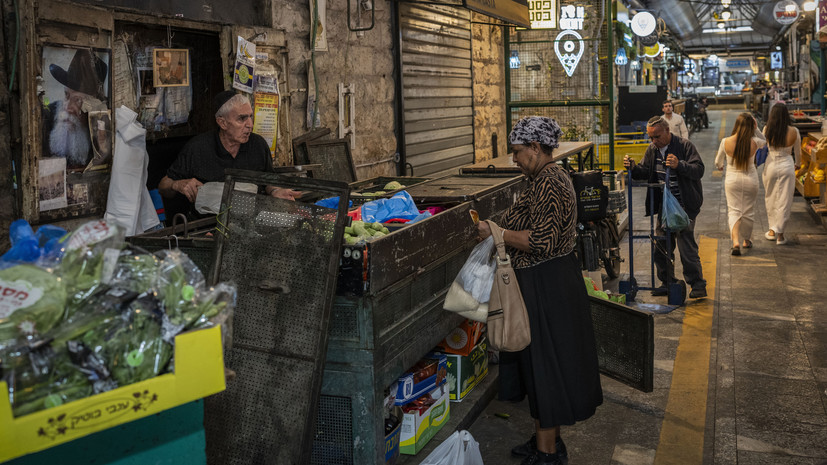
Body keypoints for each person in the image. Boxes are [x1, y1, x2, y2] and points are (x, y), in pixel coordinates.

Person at [477, 116, 603, 465]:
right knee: (538, 367)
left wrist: (496, 233)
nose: (514, 159)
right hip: (542, 283)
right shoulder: (540, 179)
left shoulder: (550, 183)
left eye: (518, 152)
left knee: (546, 367)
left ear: (535, 148)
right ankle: (546, 442)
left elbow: (543, 241)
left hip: (547, 285)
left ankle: (548, 455)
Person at [159, 91, 299, 205]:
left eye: (250, 116)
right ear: (222, 123)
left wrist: (276, 191)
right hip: (207, 225)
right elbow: (163, 186)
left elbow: (268, 181)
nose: (250, 124)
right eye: (242, 118)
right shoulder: (197, 148)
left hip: (249, 220)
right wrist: (177, 184)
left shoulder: (258, 145)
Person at [624, 116, 707, 298]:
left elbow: (699, 169)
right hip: (665, 207)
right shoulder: (653, 150)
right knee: (660, 246)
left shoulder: (685, 146)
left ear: (668, 131)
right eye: (651, 137)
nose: (654, 141)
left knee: (686, 247)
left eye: (657, 136)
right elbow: (645, 171)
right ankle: (667, 282)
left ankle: (698, 285)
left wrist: (680, 165)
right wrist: (633, 168)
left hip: (684, 206)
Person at [42, 49, 110, 170]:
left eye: (78, 100)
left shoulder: (101, 127)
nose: (67, 107)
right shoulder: (48, 115)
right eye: (66, 95)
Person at [715, 113, 765, 255]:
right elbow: (765, 140)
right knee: (748, 211)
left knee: (734, 210)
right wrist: (756, 129)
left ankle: (735, 241)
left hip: (732, 180)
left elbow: (718, 162)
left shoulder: (725, 141)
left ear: (736, 125)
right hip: (751, 179)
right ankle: (746, 240)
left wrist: (720, 166)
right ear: (751, 126)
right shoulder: (755, 141)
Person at [762, 103, 801, 245]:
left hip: (771, 165)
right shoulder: (794, 131)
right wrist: (798, 164)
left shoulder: (767, 129)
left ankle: (772, 231)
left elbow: (761, 147)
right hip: (787, 165)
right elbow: (798, 153)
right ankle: (781, 235)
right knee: (785, 200)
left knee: (770, 197)